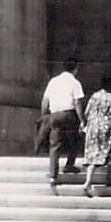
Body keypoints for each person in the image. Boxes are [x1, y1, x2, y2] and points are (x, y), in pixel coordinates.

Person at [41, 57, 84, 187]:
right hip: (69, 114)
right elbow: (77, 102)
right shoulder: (75, 83)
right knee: (74, 140)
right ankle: (69, 165)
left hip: (54, 114)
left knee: (54, 145)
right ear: (75, 69)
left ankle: (53, 176)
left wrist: (44, 116)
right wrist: (82, 119)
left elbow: (45, 100)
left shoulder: (53, 81)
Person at [81, 73, 111, 198]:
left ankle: (88, 182)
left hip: (93, 127)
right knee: (109, 151)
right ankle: (108, 178)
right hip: (106, 126)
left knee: (94, 154)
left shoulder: (94, 96)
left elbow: (87, 112)